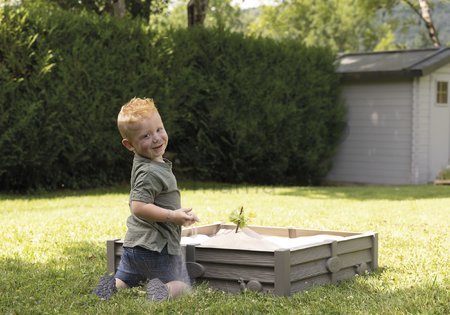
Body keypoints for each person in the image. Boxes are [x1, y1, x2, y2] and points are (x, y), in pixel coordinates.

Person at [93, 97, 200, 301]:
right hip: (156, 248)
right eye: (146, 136)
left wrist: (176, 213)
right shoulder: (149, 172)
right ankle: (164, 291)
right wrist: (171, 215)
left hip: (133, 248)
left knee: (127, 279)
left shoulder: (145, 161)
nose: (157, 138)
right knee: (184, 284)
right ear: (129, 145)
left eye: (159, 129)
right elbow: (139, 207)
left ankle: (113, 285)